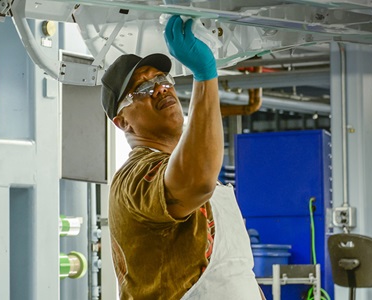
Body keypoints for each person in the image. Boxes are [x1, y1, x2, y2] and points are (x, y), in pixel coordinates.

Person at [101, 15, 263, 299]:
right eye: (142, 89)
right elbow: (197, 180)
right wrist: (206, 76)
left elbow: (236, 276)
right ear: (122, 122)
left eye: (162, 79)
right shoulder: (133, 178)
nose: (161, 88)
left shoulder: (184, 166)